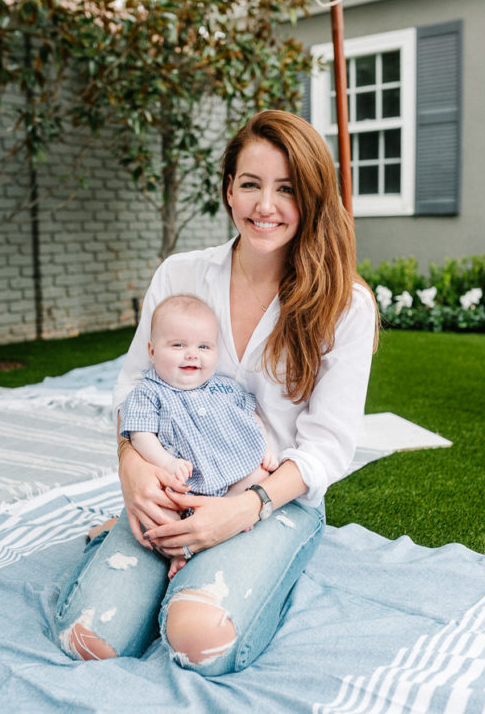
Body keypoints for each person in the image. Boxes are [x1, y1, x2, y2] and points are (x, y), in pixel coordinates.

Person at [55, 109, 377, 675]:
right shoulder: (180, 276)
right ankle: (136, 550)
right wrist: (133, 468)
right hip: (173, 488)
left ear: (313, 198)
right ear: (229, 189)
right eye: (250, 184)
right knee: (88, 641)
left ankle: (232, 573)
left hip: (273, 497)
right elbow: (135, 385)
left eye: (287, 189)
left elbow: (327, 445)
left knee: (196, 641)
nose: (265, 206)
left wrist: (239, 512)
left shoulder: (345, 306)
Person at [119, 292, 278, 579]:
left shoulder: (224, 388)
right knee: (159, 514)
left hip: (231, 477)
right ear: (152, 351)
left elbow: (252, 418)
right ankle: (178, 551)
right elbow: (141, 434)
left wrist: (265, 448)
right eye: (178, 345)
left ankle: (227, 515)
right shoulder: (149, 392)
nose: (192, 354)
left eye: (204, 346)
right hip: (182, 486)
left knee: (260, 475)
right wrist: (166, 463)